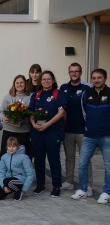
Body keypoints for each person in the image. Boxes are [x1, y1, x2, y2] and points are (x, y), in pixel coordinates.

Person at [71, 68, 110, 204]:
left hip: (107, 136)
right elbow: (84, 112)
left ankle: (106, 192)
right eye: (94, 78)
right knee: (82, 163)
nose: (96, 80)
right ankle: (84, 189)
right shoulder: (86, 93)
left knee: (108, 165)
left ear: (105, 78)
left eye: (99, 78)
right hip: (89, 135)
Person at [29, 71, 67, 197]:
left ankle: (56, 186)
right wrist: (34, 124)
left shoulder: (58, 94)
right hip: (37, 132)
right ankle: (41, 184)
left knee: (54, 159)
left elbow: (61, 113)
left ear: (53, 80)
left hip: (53, 131)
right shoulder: (36, 94)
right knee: (39, 159)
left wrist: (48, 124)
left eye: (48, 79)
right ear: (40, 81)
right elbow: (30, 112)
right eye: (44, 79)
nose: (46, 81)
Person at [59, 63, 93, 193]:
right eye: (72, 71)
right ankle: (69, 181)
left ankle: (88, 185)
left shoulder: (87, 88)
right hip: (67, 129)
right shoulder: (63, 88)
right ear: (69, 73)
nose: (74, 73)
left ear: (81, 72)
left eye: (76, 71)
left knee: (85, 158)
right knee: (69, 157)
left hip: (83, 131)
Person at [0, 75, 32, 157]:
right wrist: (3, 118)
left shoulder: (30, 97)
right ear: (14, 84)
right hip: (9, 130)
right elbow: (1, 111)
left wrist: (25, 119)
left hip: (23, 131)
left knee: (22, 155)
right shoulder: (8, 96)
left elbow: (32, 113)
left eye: (21, 82)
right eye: (17, 83)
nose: (19, 85)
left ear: (25, 84)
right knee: (5, 154)